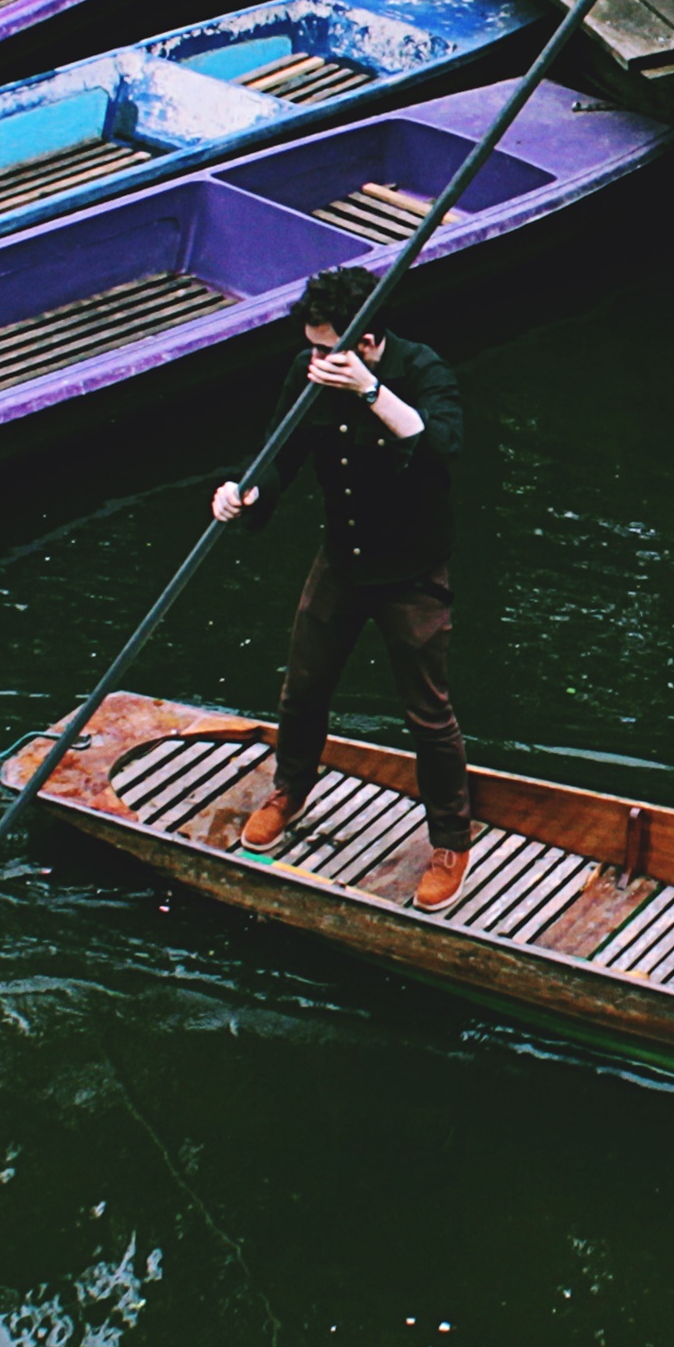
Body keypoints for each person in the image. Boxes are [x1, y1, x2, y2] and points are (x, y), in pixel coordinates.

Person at [207, 264, 478, 901]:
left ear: (367, 343)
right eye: (312, 347)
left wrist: (368, 392)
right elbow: (276, 456)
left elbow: (441, 445)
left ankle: (450, 841)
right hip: (343, 559)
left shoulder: (421, 370)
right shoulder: (310, 373)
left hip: (411, 568)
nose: (316, 361)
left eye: (328, 349)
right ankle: (290, 790)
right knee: (303, 686)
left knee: (428, 712)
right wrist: (241, 493)